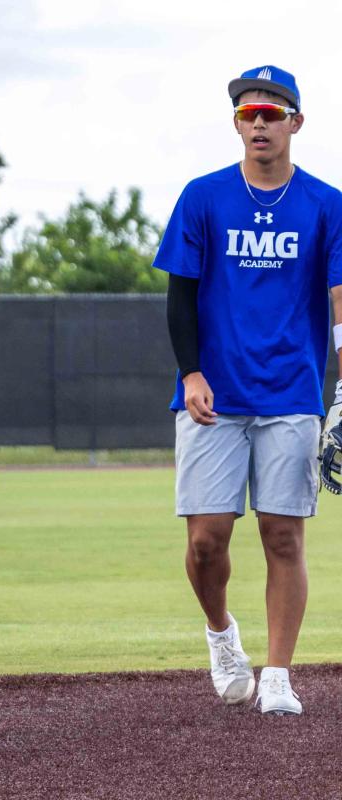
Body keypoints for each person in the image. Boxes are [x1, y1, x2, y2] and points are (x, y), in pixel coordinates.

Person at [154, 65, 342, 716]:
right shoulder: (203, 197)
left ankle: (280, 674)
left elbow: (340, 296)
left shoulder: (326, 203)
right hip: (214, 395)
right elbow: (179, 295)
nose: (258, 122)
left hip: (291, 392)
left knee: (283, 536)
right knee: (206, 541)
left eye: (271, 112)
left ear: (296, 122)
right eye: (247, 113)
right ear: (237, 123)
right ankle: (221, 632)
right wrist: (191, 371)